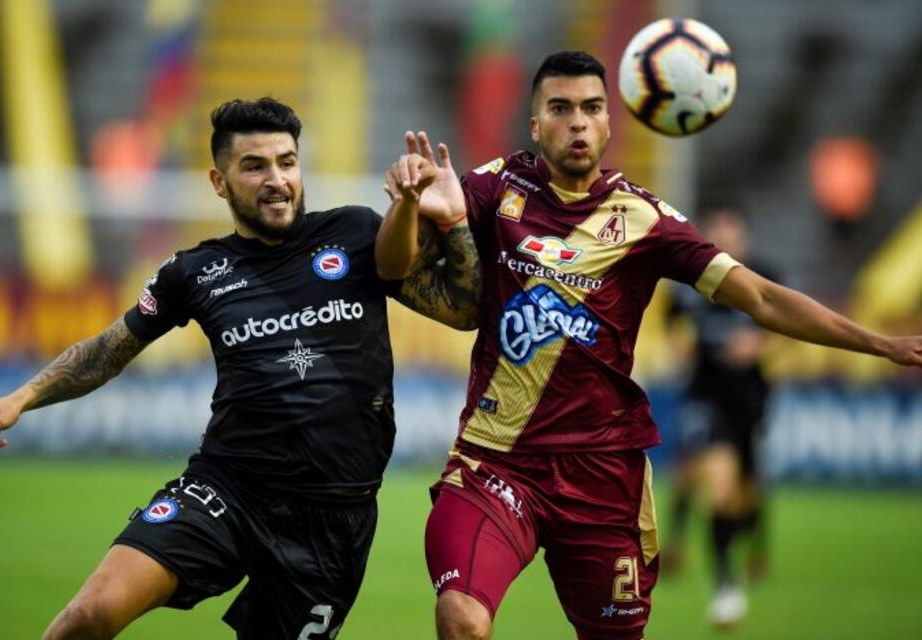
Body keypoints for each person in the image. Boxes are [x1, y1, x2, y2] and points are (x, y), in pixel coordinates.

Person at [392, 51, 922, 640]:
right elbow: (403, 268)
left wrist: (881, 344)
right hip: (497, 461)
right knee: (461, 619)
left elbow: (762, 299)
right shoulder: (494, 188)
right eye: (560, 108)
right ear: (535, 123)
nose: (578, 122)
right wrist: (412, 208)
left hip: (601, 473)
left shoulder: (646, 219)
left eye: (592, 108)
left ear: (610, 121)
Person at [0, 97, 480, 639]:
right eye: (254, 166)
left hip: (332, 521)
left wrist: (453, 221)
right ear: (219, 181)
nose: (276, 179)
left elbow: (464, 309)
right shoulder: (195, 271)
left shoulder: (357, 234)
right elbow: (108, 351)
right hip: (228, 488)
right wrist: (21, 397)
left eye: (286, 162)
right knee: (90, 613)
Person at [664, 206, 777, 627]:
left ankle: (755, 546)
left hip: (749, 396)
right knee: (712, 481)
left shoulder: (763, 274)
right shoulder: (689, 282)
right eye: (715, 229)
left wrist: (759, 344)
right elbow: (672, 323)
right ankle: (726, 588)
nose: (723, 235)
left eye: (730, 228)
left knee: (748, 488)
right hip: (703, 395)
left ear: (742, 235)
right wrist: (680, 349)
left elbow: (787, 325)